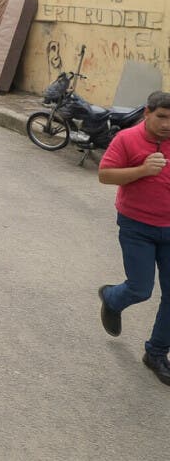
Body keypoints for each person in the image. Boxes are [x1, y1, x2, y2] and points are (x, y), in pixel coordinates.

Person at [97, 91, 170, 386]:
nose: (167, 124)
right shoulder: (127, 139)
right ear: (147, 113)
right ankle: (112, 298)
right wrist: (142, 170)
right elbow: (105, 175)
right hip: (136, 227)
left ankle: (156, 353)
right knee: (141, 289)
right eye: (161, 117)